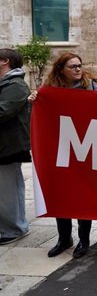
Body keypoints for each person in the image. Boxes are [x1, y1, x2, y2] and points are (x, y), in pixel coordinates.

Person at [33, 53, 97, 258]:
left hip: (86, 146)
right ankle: (64, 238)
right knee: (60, 193)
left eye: (79, 65)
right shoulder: (51, 90)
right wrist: (35, 99)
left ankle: (84, 240)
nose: (77, 69)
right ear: (61, 69)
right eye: (72, 66)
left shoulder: (92, 87)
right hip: (60, 148)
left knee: (83, 195)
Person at [0, 49, 31, 246]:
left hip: (8, 146)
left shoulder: (16, 85)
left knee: (7, 190)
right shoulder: (6, 84)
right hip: (4, 145)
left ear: (5, 61)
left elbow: (3, 112)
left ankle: (14, 228)